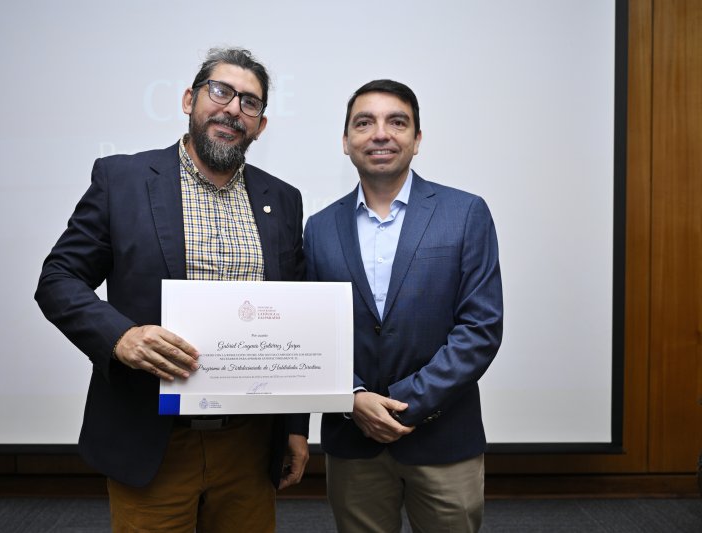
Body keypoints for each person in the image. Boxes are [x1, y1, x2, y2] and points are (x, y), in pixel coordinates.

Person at [35, 47, 309, 533]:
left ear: (261, 125)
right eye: (220, 92)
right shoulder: (122, 180)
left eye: (249, 102)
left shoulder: (283, 200)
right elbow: (58, 278)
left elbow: (295, 315)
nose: (233, 109)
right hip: (153, 439)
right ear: (189, 99)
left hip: (249, 444)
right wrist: (120, 337)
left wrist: (295, 426)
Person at [303, 79, 503, 533]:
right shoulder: (319, 227)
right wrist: (353, 398)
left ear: (417, 139)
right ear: (346, 141)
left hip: (443, 439)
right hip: (352, 440)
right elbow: (313, 331)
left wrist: (403, 404)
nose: (381, 134)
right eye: (364, 123)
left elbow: (481, 328)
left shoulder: (465, 213)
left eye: (397, 122)